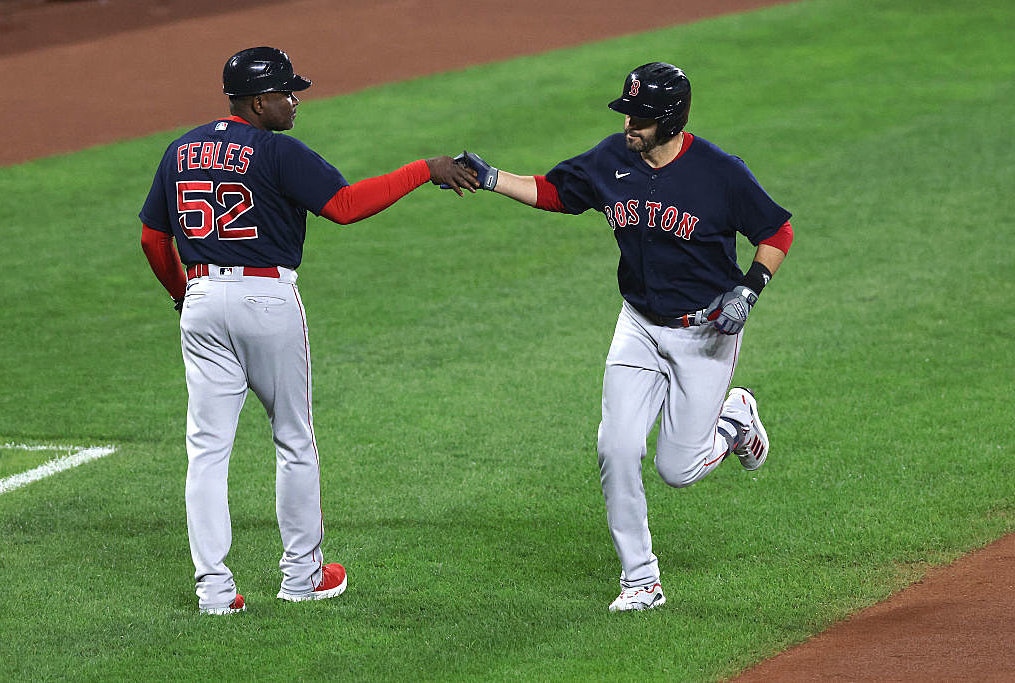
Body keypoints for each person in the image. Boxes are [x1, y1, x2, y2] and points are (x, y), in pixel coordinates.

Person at [139, 46, 477, 615]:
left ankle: (215, 594)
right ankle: (301, 576)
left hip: (200, 301)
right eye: (286, 93)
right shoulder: (275, 150)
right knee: (294, 439)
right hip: (266, 300)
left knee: (206, 452)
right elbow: (344, 206)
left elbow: (154, 239)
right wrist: (423, 169)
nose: (295, 101)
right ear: (257, 100)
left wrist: (181, 294)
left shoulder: (180, 149)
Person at [455, 62, 793, 611]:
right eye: (628, 112)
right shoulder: (614, 157)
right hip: (637, 325)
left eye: (640, 116)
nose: (629, 124)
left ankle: (735, 420)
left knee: (676, 470)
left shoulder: (719, 173)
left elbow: (776, 229)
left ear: (671, 118)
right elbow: (555, 191)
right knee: (616, 448)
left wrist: (750, 288)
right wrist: (493, 178)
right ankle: (641, 579)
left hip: (703, 334)